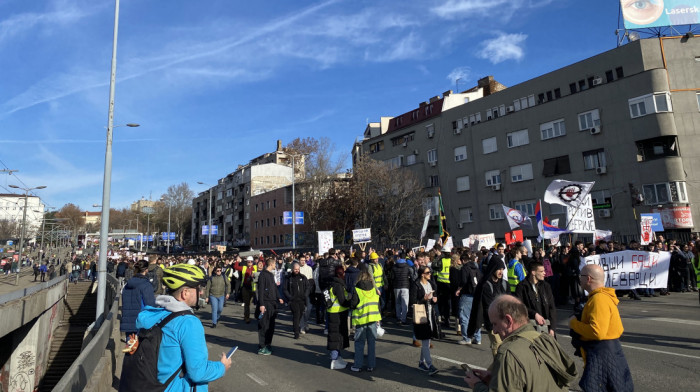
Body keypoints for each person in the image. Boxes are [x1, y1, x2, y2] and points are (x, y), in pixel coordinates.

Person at [131, 263, 230, 390]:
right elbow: (198, 372)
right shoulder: (188, 322)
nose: (201, 291)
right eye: (198, 288)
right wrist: (222, 367)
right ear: (185, 293)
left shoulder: (153, 314)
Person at [464, 295, 577, 391]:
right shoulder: (546, 339)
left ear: (508, 321)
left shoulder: (509, 352)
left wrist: (477, 385)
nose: (494, 331)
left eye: (495, 324)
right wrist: (496, 378)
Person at [569, 264, 633, 392]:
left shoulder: (599, 299)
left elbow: (597, 332)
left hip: (602, 353)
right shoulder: (600, 297)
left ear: (588, 279)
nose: (579, 279)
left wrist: (574, 323)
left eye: (580, 276)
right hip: (608, 351)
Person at [467, 255, 509, 357]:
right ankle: (497, 369)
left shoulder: (505, 284)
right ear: (493, 268)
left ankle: (495, 370)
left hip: (506, 322)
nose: (501, 271)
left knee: (506, 348)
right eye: (498, 269)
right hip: (492, 322)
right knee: (498, 345)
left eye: (502, 269)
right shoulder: (485, 285)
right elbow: (487, 306)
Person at [349, 269, 381, 372]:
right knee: (371, 343)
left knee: (359, 343)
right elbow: (378, 305)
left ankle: (358, 365)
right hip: (373, 318)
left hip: (361, 319)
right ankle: (371, 365)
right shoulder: (374, 289)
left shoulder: (357, 289)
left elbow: (353, 304)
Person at [411, 266, 440, 376]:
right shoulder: (416, 284)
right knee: (426, 340)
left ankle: (421, 363)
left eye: (430, 272)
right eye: (428, 272)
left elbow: (434, 296)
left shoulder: (430, 284)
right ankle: (429, 364)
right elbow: (413, 301)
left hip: (430, 313)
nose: (430, 274)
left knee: (426, 341)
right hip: (421, 314)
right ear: (422, 274)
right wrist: (424, 299)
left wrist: (434, 299)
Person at [515, 261, 557, 336]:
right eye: (541, 271)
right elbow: (519, 306)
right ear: (533, 272)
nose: (544, 273)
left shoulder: (546, 286)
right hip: (529, 328)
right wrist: (534, 314)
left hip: (546, 328)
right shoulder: (521, 287)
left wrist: (552, 328)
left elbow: (552, 307)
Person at [120, 260, 156, 338]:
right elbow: (150, 305)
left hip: (128, 320)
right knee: (140, 347)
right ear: (146, 270)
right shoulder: (146, 285)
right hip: (141, 321)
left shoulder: (127, 284)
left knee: (130, 345)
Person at [256, 258, 283, 355]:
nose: (275, 265)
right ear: (271, 264)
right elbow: (261, 290)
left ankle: (268, 344)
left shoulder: (271, 275)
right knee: (264, 325)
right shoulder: (263, 275)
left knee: (271, 326)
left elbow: (274, 287)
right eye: (274, 263)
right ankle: (262, 346)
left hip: (272, 303)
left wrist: (279, 297)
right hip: (266, 303)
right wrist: (262, 304)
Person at [328, 265, 352, 370]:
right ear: (340, 274)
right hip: (337, 313)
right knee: (336, 336)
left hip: (334, 313)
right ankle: (334, 359)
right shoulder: (338, 285)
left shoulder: (333, 283)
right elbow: (342, 301)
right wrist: (350, 302)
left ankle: (338, 357)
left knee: (336, 336)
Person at [457, 252, 482, 344]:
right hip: (476, 294)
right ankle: (477, 337)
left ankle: (467, 338)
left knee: (464, 316)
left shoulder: (465, 268)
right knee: (475, 316)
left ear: (463, 260)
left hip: (467, 294)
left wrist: (459, 288)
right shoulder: (476, 268)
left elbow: (463, 281)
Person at [283, 262, 310, 339]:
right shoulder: (288, 278)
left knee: (300, 314)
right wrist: (289, 297)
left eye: (298, 269)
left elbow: (308, 287)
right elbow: (285, 289)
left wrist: (305, 295)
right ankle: (296, 333)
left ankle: (296, 327)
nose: (296, 271)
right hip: (293, 300)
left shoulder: (303, 277)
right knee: (296, 314)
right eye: (295, 269)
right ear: (292, 269)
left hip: (301, 300)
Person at [392, 257, 412, 324]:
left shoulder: (394, 267)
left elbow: (392, 277)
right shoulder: (407, 267)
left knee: (398, 303)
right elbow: (411, 275)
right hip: (405, 286)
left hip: (396, 286)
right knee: (405, 303)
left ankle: (398, 317)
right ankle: (403, 319)